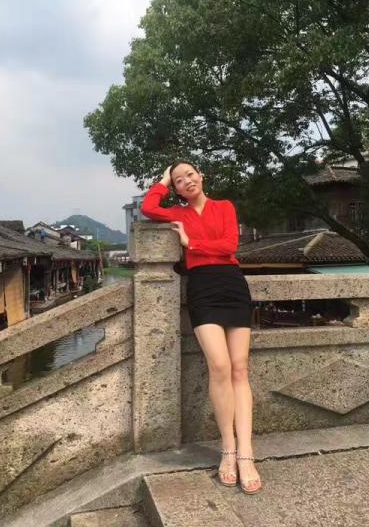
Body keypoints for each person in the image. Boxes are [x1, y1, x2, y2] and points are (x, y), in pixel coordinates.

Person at [141, 161, 262, 495]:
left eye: (190, 175)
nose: (187, 181)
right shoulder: (177, 213)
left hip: (232, 285)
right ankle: (228, 450)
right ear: (176, 189)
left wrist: (190, 244)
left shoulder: (224, 207)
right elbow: (148, 208)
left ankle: (246, 453)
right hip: (202, 289)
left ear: (201, 176)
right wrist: (163, 180)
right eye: (179, 180)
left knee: (240, 368)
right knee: (219, 366)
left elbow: (229, 246)